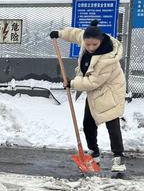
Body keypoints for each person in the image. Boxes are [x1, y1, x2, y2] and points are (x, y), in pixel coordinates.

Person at [50, 20, 126, 172]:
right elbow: (75, 34)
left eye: (94, 45)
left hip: (110, 91)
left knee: (112, 124)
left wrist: (73, 84)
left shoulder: (107, 58)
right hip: (95, 92)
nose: (90, 47)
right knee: (88, 124)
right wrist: (59, 34)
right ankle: (94, 152)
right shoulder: (86, 39)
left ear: (101, 40)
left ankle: (119, 158)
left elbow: (93, 81)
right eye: (88, 44)